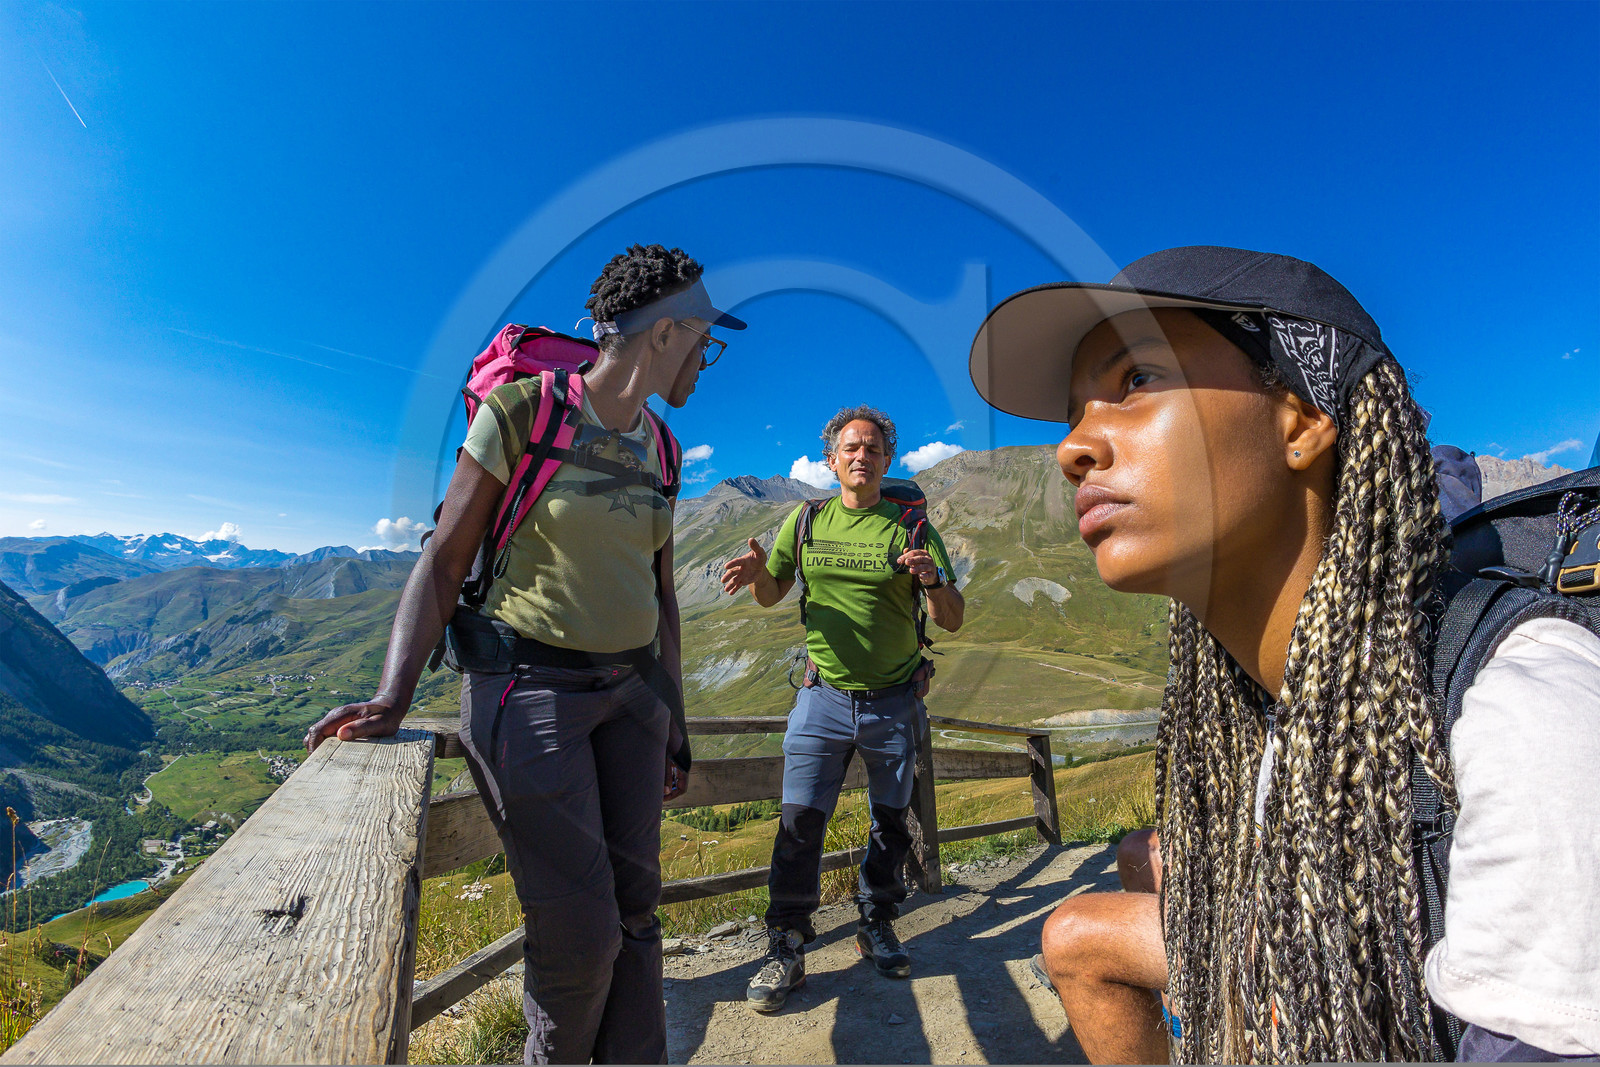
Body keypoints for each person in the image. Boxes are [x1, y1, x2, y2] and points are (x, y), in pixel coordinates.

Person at [970, 246, 1600, 1062]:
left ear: (1301, 420)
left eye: (1136, 380)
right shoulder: (1276, 704)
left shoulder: (1523, 716)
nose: (1073, 448)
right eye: (1073, 412)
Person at [305, 243, 745, 1064]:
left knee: (638, 910)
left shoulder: (664, 447)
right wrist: (393, 695)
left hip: (633, 697)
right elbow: (441, 558)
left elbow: (661, 600)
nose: (705, 358)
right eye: (703, 339)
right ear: (663, 333)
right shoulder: (522, 412)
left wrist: (676, 723)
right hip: (526, 691)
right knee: (578, 934)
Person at [720, 405, 965, 1011]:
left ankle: (875, 921)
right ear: (832, 461)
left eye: (873, 449)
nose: (862, 456)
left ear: (887, 460)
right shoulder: (804, 522)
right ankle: (786, 943)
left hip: (893, 702)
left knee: (890, 820)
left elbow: (952, 619)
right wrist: (757, 574)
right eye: (850, 449)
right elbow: (772, 595)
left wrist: (933, 581)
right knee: (799, 821)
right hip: (820, 697)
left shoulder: (911, 529)